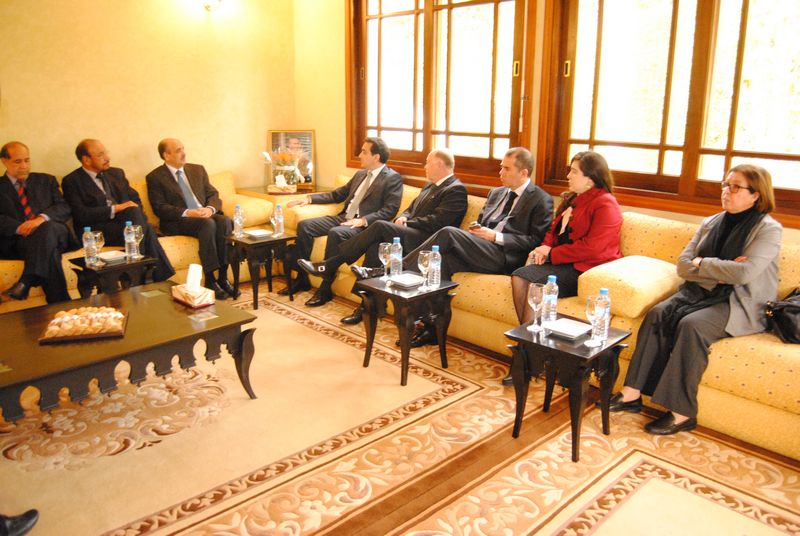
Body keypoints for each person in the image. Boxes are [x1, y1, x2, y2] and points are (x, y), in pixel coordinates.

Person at [609, 164, 782, 435]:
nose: (726, 191)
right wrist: (722, 270)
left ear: (756, 194)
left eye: (735, 187)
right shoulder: (711, 222)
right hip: (699, 291)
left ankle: (682, 413)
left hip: (739, 301)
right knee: (657, 313)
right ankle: (632, 393)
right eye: (725, 184)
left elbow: (745, 273)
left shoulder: (768, 230)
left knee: (692, 325)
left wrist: (704, 263)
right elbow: (683, 266)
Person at [355, 147, 553, 347]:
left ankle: (390, 271)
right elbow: (481, 222)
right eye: (501, 167)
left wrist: (496, 236)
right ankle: (430, 328)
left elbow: (534, 240)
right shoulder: (496, 193)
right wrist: (477, 229)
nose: (500, 172)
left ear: (523, 173)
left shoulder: (540, 199)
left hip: (503, 256)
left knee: (448, 232)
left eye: (506, 169)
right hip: (479, 248)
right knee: (439, 262)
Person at [298, 148, 468, 324]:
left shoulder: (455, 190)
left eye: (427, 162)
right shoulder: (429, 186)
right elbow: (410, 208)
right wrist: (404, 217)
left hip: (428, 241)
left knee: (380, 225)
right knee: (376, 247)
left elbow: (438, 221)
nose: (424, 166)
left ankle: (329, 264)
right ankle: (368, 306)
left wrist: (409, 223)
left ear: (439, 164)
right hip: (412, 233)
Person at [503, 150, 622, 384]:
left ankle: (526, 360)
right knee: (519, 277)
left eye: (574, 172)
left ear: (590, 178)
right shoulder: (574, 198)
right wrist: (544, 248)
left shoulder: (605, 204)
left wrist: (552, 254)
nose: (568, 176)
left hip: (584, 268)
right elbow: (552, 231)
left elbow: (593, 248)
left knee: (536, 285)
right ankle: (532, 351)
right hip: (562, 262)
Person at [284, 137, 403, 307]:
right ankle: (302, 279)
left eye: (364, 152)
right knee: (305, 226)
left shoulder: (392, 178)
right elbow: (337, 194)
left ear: (376, 157)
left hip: (363, 225)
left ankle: (325, 288)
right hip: (343, 218)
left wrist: (363, 220)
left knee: (336, 233)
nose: (359, 155)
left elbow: (390, 210)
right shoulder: (361, 174)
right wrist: (309, 199)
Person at [62, 139, 175, 282]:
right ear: (86, 160)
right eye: (101, 155)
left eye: (106, 153)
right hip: (98, 230)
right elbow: (81, 215)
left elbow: (134, 199)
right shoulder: (72, 181)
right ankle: (149, 276)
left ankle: (141, 275)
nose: (107, 158)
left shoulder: (116, 173)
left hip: (126, 224)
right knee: (145, 229)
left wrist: (136, 213)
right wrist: (115, 209)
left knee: (135, 215)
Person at [145, 138, 238, 300]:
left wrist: (210, 209)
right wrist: (189, 212)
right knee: (207, 224)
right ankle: (210, 279)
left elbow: (213, 194)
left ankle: (223, 278)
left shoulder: (197, 169)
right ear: (166, 155)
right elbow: (159, 207)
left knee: (224, 221)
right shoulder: (155, 177)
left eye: (183, 149)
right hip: (178, 221)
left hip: (204, 214)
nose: (184, 153)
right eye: (178, 150)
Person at [0, 142, 73, 303]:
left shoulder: (46, 180)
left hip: (57, 233)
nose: (24, 166)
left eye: (27, 160)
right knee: (50, 253)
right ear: (4, 161)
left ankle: (25, 281)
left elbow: (64, 207)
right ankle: (61, 304)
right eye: (17, 162)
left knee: (48, 227)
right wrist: (18, 227)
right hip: (21, 241)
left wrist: (40, 220)